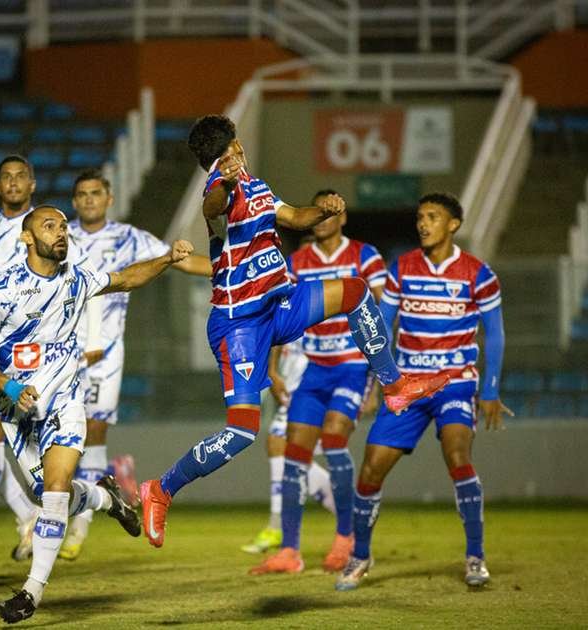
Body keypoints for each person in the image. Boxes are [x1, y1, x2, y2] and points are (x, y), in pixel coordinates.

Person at [140, 114, 450, 549]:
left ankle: (393, 384)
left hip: (281, 304)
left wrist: (321, 211)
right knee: (243, 432)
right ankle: (162, 489)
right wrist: (224, 185)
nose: (242, 151)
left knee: (356, 292)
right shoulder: (220, 190)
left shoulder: (258, 186)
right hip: (240, 324)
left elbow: (294, 217)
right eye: (235, 147)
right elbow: (213, 211)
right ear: (226, 152)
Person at [0, 205, 192, 623]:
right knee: (50, 495)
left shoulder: (77, 277)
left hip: (67, 402)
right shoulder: (3, 288)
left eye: (63, 226)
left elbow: (125, 279)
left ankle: (30, 593)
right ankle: (107, 497)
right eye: (48, 226)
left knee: (53, 492)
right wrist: (10, 387)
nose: (60, 232)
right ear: (27, 238)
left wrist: (166, 259)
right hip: (18, 411)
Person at [335, 192, 512, 591]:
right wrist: (373, 383)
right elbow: (381, 326)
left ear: (453, 225)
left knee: (457, 454)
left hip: (454, 382)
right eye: (419, 217)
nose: (423, 223)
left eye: (432, 216)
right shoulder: (403, 268)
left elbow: (496, 333)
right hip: (408, 385)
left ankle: (475, 556)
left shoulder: (477, 273)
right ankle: (360, 556)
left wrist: (491, 389)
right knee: (371, 467)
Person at [59, 168, 212, 560]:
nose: (89, 199)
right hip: (59, 352)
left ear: (109, 198)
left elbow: (178, 261)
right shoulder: (60, 237)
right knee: (59, 436)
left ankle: (79, 524)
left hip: (105, 354)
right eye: (82, 194)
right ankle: (94, 488)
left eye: (96, 193)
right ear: (74, 201)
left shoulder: (129, 238)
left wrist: (229, 268)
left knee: (91, 432)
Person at [0, 154, 93, 559]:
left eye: (21, 177)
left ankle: (10, 522)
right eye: (6, 178)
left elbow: (82, 288)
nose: (13, 183)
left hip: (41, 361)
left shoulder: (50, 231)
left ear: (32, 185)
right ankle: (2, 525)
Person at [250, 190, 387, 575]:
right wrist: (272, 369)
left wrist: (376, 380)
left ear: (343, 218)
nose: (325, 217)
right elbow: (281, 315)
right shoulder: (297, 262)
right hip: (314, 369)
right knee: (294, 454)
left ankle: (347, 538)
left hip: (352, 367)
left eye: (333, 211)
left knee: (335, 440)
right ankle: (290, 551)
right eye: (320, 211)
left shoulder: (364, 256)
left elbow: (383, 313)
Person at [241, 337, 337, 555]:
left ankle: (347, 519)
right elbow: (279, 330)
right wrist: (273, 370)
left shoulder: (328, 306)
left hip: (317, 387)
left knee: (282, 446)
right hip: (293, 385)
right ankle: (348, 517)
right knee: (284, 449)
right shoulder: (288, 304)